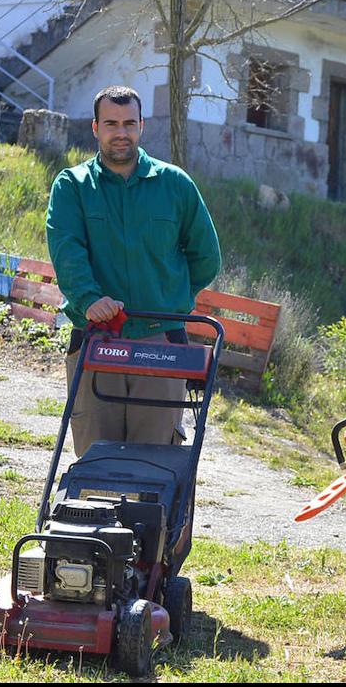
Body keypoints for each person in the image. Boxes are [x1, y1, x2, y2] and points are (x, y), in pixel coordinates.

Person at [46, 85, 221, 457]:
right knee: (95, 457)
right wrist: (90, 299)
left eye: (129, 123)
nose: (120, 132)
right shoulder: (72, 186)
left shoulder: (175, 185)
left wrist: (170, 298)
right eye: (111, 123)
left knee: (156, 460)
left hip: (160, 342)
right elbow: (67, 251)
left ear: (141, 126)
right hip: (95, 338)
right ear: (95, 127)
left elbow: (206, 256)